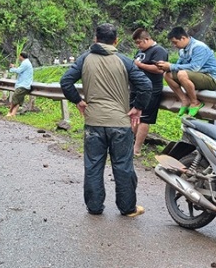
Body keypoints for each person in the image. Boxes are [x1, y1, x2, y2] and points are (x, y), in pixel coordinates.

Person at [60, 23, 152, 217]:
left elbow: (66, 81)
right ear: (116, 41)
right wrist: (137, 107)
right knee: (123, 165)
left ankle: (94, 207)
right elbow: (145, 84)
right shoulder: (124, 61)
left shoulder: (84, 59)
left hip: (93, 122)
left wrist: (78, 101)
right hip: (120, 122)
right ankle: (127, 208)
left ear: (95, 39)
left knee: (93, 165)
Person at [156, 26, 216, 118]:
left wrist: (171, 66)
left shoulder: (199, 47)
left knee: (182, 74)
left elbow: (195, 67)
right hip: (197, 77)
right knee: (167, 75)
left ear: (183, 38)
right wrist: (166, 67)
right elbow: (177, 66)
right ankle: (185, 100)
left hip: (212, 79)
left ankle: (195, 102)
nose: (174, 45)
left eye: (175, 42)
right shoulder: (182, 51)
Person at [131, 28, 169, 156]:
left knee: (144, 118)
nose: (138, 46)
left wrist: (140, 65)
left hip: (151, 89)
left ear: (147, 39)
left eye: (139, 42)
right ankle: (130, 144)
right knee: (133, 116)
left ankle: (137, 148)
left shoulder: (159, 51)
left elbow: (159, 69)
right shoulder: (139, 52)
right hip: (136, 88)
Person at [7, 52, 33, 117]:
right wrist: (15, 67)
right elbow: (20, 70)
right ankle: (13, 114)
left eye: (19, 57)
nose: (19, 58)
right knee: (18, 100)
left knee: (14, 97)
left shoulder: (25, 63)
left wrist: (12, 68)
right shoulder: (26, 62)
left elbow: (18, 71)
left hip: (23, 84)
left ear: (21, 56)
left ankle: (9, 112)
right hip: (24, 84)